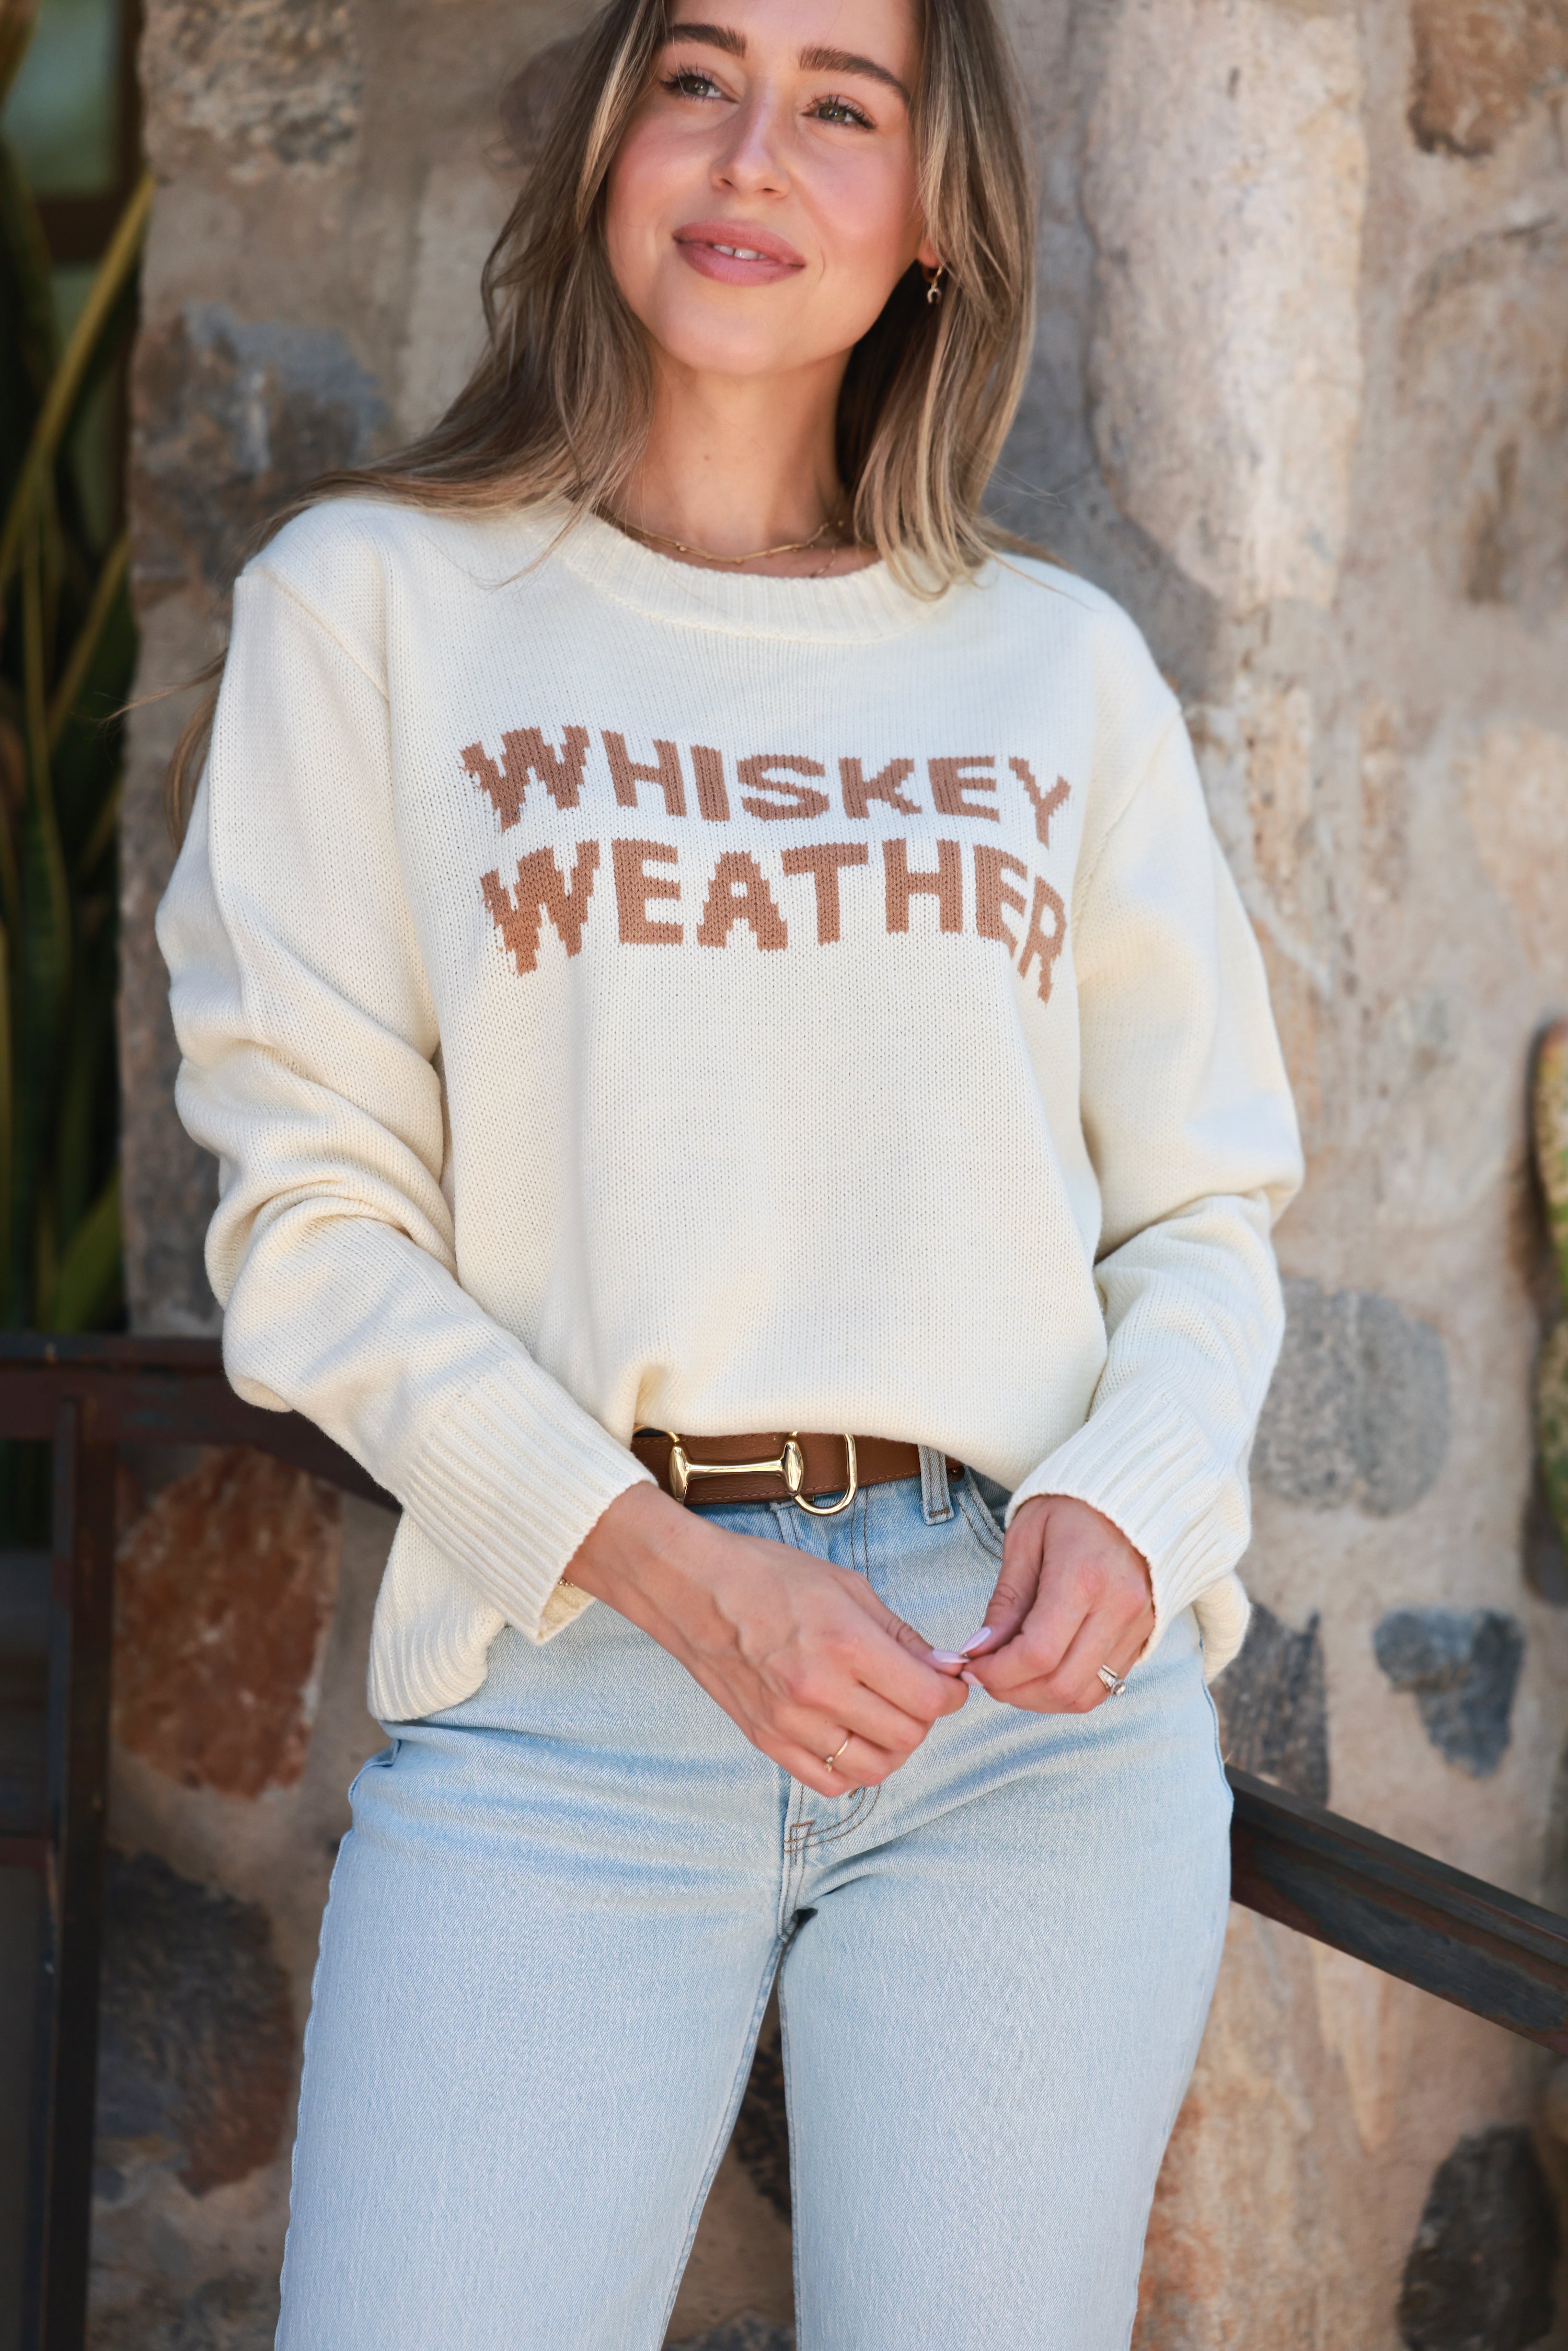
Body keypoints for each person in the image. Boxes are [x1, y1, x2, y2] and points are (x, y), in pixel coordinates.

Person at [157, 0, 1302, 2338]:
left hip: (1027, 1718)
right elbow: (311, 1223)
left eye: (842, 105)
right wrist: (680, 1579)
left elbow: (1201, 1214)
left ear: (932, 234)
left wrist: (1135, 1499)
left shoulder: (1054, 674)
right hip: (583, 1653)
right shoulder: (370, 615)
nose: (752, 147)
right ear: (610, 147)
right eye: (697, 75)